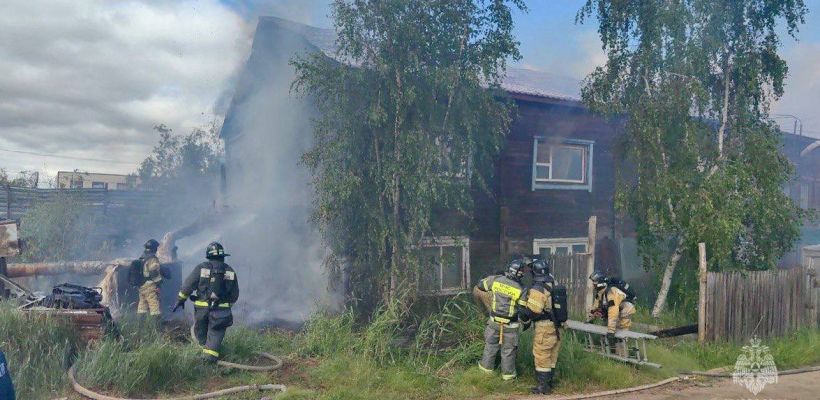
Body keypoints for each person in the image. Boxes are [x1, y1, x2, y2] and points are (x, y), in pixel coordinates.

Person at [171, 242, 239, 362]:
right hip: (221, 312)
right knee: (216, 332)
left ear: (208, 256)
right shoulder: (230, 271)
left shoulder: (201, 268)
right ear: (223, 256)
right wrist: (226, 306)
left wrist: (181, 299)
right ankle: (209, 357)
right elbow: (234, 295)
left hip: (202, 310)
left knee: (200, 331)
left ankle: (203, 353)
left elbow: (188, 285)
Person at [474, 258, 528, 380]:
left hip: (494, 323)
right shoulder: (522, 288)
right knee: (508, 352)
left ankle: (485, 375)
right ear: (520, 274)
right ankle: (508, 379)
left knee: (490, 347)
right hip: (510, 326)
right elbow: (523, 309)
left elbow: (480, 285)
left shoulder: (495, 280)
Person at [524, 258, 562, 394]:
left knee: (541, 355)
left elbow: (534, 311)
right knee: (551, 356)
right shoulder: (552, 282)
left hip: (544, 327)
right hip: (556, 326)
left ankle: (543, 387)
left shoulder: (538, 288)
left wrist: (524, 309)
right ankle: (549, 384)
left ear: (534, 272)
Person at [588, 270, 636, 355]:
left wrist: (611, 330)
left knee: (621, 335)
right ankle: (609, 352)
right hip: (619, 310)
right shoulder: (601, 292)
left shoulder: (611, 292)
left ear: (600, 283)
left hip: (625, 310)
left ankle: (623, 357)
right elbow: (595, 307)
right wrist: (590, 319)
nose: (593, 285)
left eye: (594, 283)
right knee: (607, 330)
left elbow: (613, 311)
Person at [134, 239, 162, 318]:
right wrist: (159, 284)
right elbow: (154, 273)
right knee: (154, 307)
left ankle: (140, 327)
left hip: (141, 285)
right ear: (154, 248)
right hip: (150, 286)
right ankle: (156, 327)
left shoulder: (142, 257)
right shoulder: (152, 259)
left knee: (142, 306)